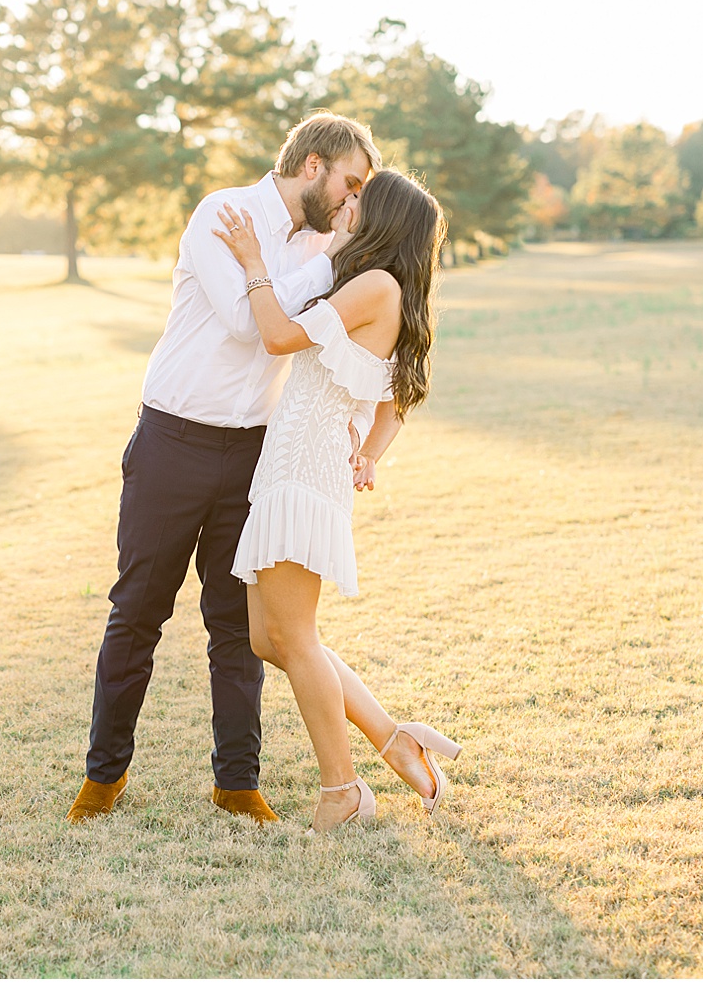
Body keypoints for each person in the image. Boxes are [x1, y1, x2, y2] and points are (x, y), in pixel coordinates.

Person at [68, 112, 381, 825]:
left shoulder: (325, 243)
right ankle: (104, 775)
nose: (352, 201)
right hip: (172, 442)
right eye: (350, 182)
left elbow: (337, 335)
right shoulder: (225, 213)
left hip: (252, 452)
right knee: (137, 612)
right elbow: (250, 326)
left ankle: (237, 782)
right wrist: (326, 261)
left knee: (237, 626)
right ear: (313, 165)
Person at [213, 169, 460, 832]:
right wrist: (370, 450)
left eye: (359, 197)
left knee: (293, 636)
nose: (348, 202)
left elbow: (278, 336)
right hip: (293, 462)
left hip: (302, 467)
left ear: (380, 218)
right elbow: (396, 400)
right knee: (270, 639)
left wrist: (253, 263)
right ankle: (393, 738)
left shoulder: (375, 286)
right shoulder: (380, 287)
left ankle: (342, 790)